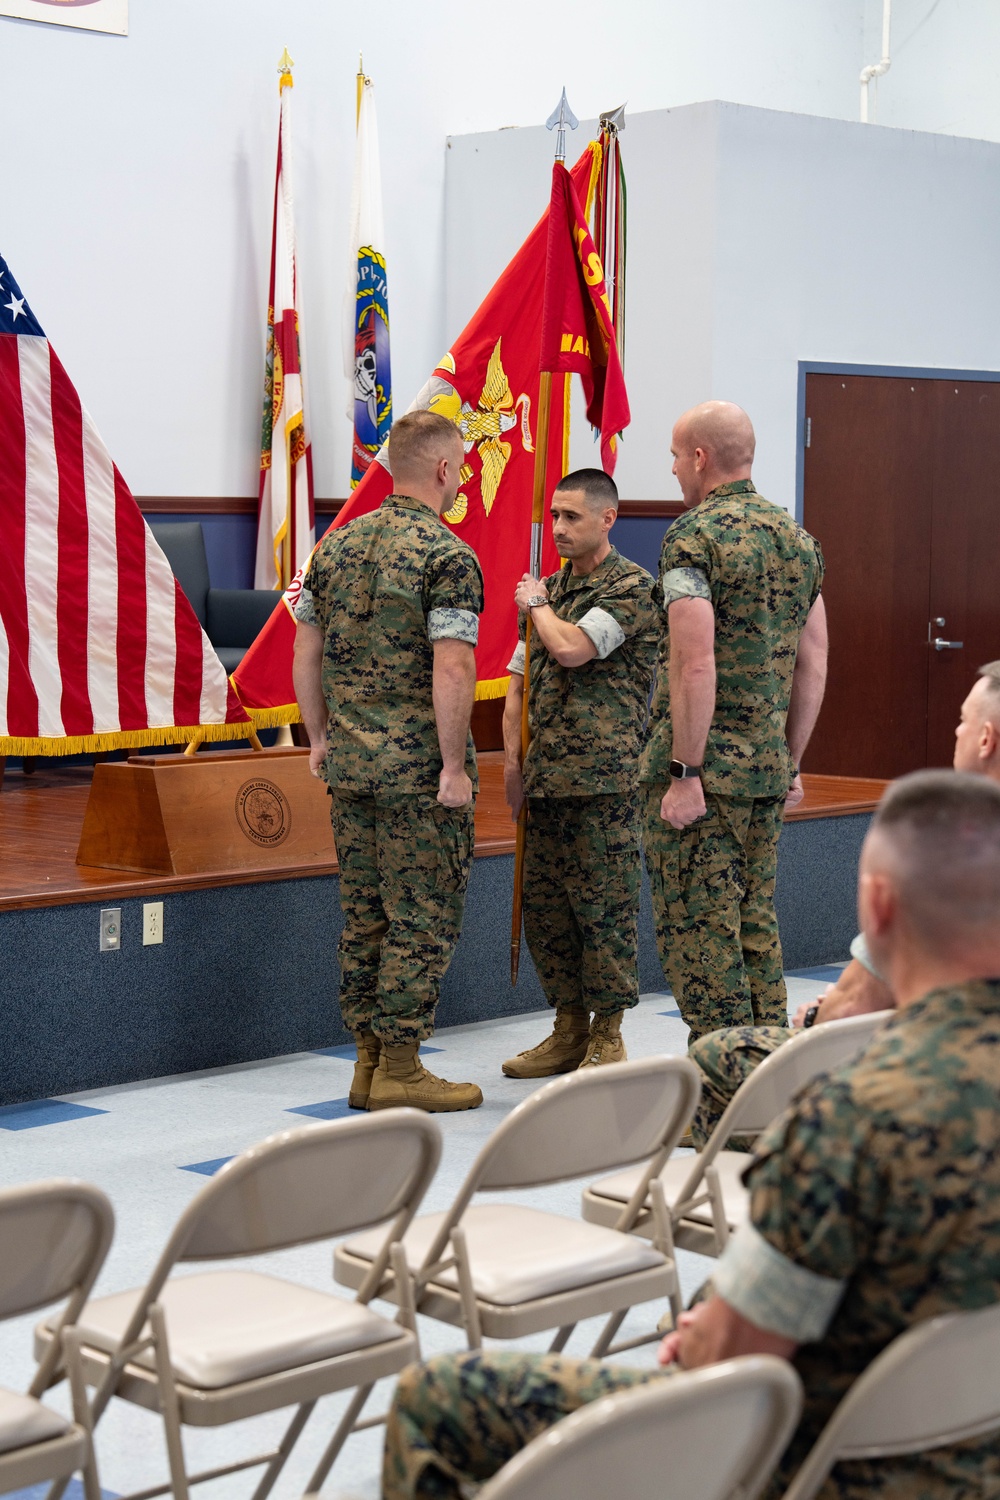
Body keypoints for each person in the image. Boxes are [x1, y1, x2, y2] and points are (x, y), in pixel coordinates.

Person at [382, 769, 1000, 1500]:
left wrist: (706, 1335)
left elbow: (721, 1370)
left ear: (879, 906)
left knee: (438, 1399)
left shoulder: (849, 1120)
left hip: (820, 1467)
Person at [688, 659, 1000, 1145]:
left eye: (962, 720)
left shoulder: (948, 849)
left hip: (940, 1094)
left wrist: (820, 1018)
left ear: (986, 740)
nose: (955, 731)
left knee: (719, 1055)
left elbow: (852, 1008)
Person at [292, 409, 484, 1113]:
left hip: (350, 768)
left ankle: (368, 1062)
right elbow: (454, 666)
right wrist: (454, 766)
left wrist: (317, 738)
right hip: (416, 777)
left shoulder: (335, 549)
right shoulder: (447, 556)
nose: (460, 477)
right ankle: (401, 1063)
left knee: (366, 915)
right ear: (441, 470)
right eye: (460, 466)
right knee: (422, 917)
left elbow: (303, 651)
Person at [641, 400, 828, 1045]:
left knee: (701, 929)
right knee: (753, 922)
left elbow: (695, 663)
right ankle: (768, 1079)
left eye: (673, 455)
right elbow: (815, 659)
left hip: (706, 774)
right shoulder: (798, 541)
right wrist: (792, 760)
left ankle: (725, 1091)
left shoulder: (694, 538)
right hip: (764, 771)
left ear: (700, 457)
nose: (671, 469)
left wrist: (685, 772)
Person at [500, 469, 659, 1076]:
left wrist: (537, 604)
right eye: (555, 516)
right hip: (545, 781)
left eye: (571, 517)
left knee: (604, 911)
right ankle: (567, 1028)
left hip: (605, 783)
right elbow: (519, 684)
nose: (558, 528)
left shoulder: (630, 589)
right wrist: (514, 764)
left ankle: (609, 1035)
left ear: (607, 519)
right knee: (547, 910)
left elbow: (571, 649)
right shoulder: (551, 591)